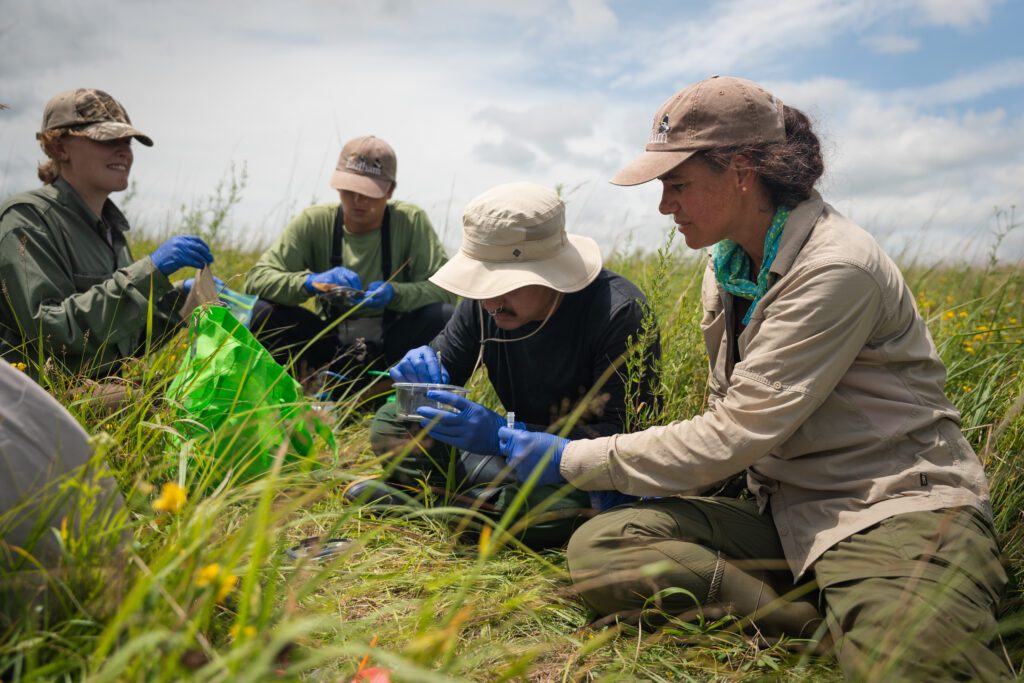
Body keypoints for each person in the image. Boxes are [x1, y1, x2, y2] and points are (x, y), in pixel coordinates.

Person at [496, 77, 1009, 679]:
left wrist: (565, 459)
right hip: (780, 504)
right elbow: (729, 416)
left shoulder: (835, 267)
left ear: (742, 171)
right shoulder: (729, 268)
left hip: (884, 508)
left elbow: (734, 431)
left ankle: (873, 618)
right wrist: (653, 482)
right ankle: (833, 627)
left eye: (677, 184)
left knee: (918, 669)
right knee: (604, 548)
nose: (665, 206)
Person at [363, 182, 659, 547]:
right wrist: (419, 375)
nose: (491, 301)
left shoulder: (619, 314)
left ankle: (429, 503)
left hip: (572, 472)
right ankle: (467, 506)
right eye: (482, 284)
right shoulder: (485, 304)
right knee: (392, 421)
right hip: (502, 457)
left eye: (505, 286)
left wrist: (503, 432)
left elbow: (625, 442)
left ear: (551, 273)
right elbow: (444, 370)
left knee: (555, 510)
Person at [0, 89, 214, 379]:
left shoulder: (111, 232)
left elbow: (121, 343)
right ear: (60, 147)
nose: (124, 151)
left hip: (102, 390)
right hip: (44, 400)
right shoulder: (27, 220)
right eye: (107, 139)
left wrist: (180, 300)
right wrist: (148, 273)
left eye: (127, 142)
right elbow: (50, 332)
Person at [245, 135, 456, 391]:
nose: (358, 200)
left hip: (395, 345)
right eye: (350, 189)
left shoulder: (411, 222)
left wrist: (395, 294)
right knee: (261, 313)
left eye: (368, 192)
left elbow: (445, 290)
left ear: (389, 190)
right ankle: (299, 389)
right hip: (329, 344)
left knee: (446, 317)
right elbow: (255, 281)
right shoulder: (313, 222)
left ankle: (399, 391)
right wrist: (311, 283)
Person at [0, 357, 127, 627]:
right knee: (141, 398)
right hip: (105, 539)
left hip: (91, 550)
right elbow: (69, 335)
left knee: (141, 396)